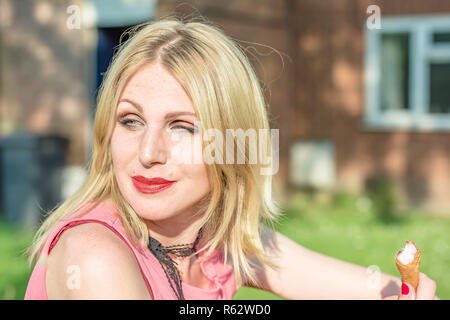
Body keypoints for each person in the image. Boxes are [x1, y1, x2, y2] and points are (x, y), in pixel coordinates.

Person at [24, 17, 437, 300]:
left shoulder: (217, 242)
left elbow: (376, 290)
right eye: (131, 121)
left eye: (183, 127)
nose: (148, 154)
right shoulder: (93, 254)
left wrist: (405, 289)